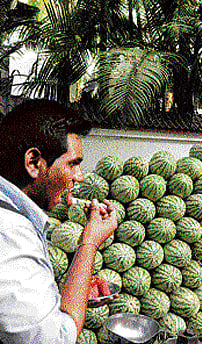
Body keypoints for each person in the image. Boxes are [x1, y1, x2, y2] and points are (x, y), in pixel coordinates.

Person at [0, 99, 118, 343]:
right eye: (73, 164)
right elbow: (56, 338)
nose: (80, 177)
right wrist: (89, 244)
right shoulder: (11, 238)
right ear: (34, 163)